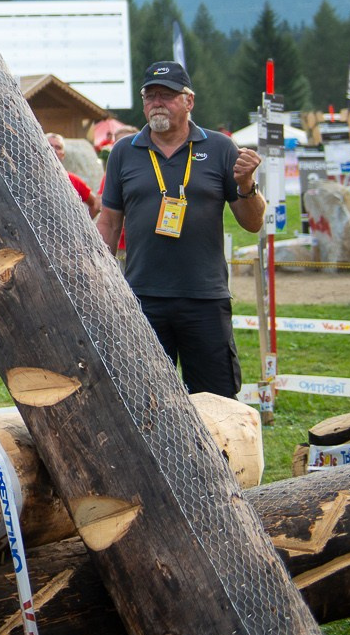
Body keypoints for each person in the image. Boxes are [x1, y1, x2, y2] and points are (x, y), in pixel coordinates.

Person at [96, 60, 265, 397]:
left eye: (168, 95)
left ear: (189, 101)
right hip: (142, 298)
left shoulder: (220, 148)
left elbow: (253, 222)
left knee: (216, 399)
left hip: (204, 298)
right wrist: (98, 283)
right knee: (144, 400)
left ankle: (217, 453)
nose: (158, 102)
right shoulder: (123, 152)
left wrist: (246, 183)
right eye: (151, 95)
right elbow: (109, 223)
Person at [48, 133, 98, 218]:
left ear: (63, 155)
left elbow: (95, 204)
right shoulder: (31, 176)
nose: (53, 150)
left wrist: (84, 224)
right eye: (49, 145)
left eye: (58, 147)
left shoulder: (72, 180)